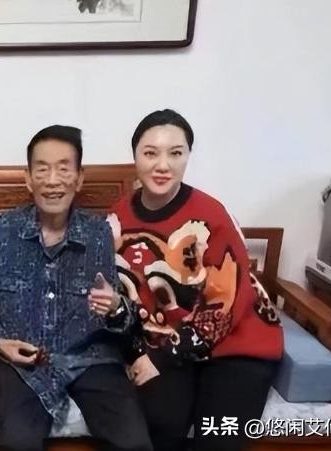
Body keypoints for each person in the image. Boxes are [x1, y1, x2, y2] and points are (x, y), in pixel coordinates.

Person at [0, 125, 153, 451]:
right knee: (18, 443)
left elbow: (121, 317)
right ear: (28, 178)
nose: (53, 180)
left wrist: (115, 307)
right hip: (19, 362)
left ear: (79, 179)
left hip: (91, 358)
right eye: (42, 169)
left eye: (64, 169)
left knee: (135, 444)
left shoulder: (98, 234)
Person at [107, 109, 283, 451]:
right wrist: (138, 353)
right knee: (160, 423)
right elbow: (119, 296)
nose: (163, 165)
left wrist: (161, 358)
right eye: (150, 153)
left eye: (176, 153)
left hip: (235, 346)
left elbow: (226, 308)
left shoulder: (211, 215)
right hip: (166, 342)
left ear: (188, 156)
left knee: (218, 439)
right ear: (135, 156)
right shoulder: (118, 215)